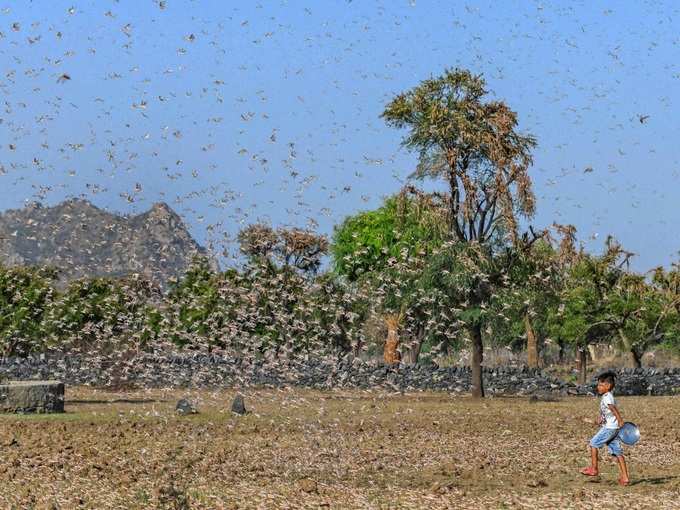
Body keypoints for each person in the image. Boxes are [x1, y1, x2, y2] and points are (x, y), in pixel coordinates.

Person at [580, 371, 630, 485]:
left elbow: (613, 409)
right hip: (614, 428)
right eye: (598, 385)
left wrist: (620, 420)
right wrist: (599, 420)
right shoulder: (607, 397)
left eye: (601, 385)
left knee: (593, 444)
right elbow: (607, 412)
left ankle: (594, 468)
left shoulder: (607, 397)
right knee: (618, 452)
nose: (598, 387)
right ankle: (625, 477)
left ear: (607, 386)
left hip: (610, 428)